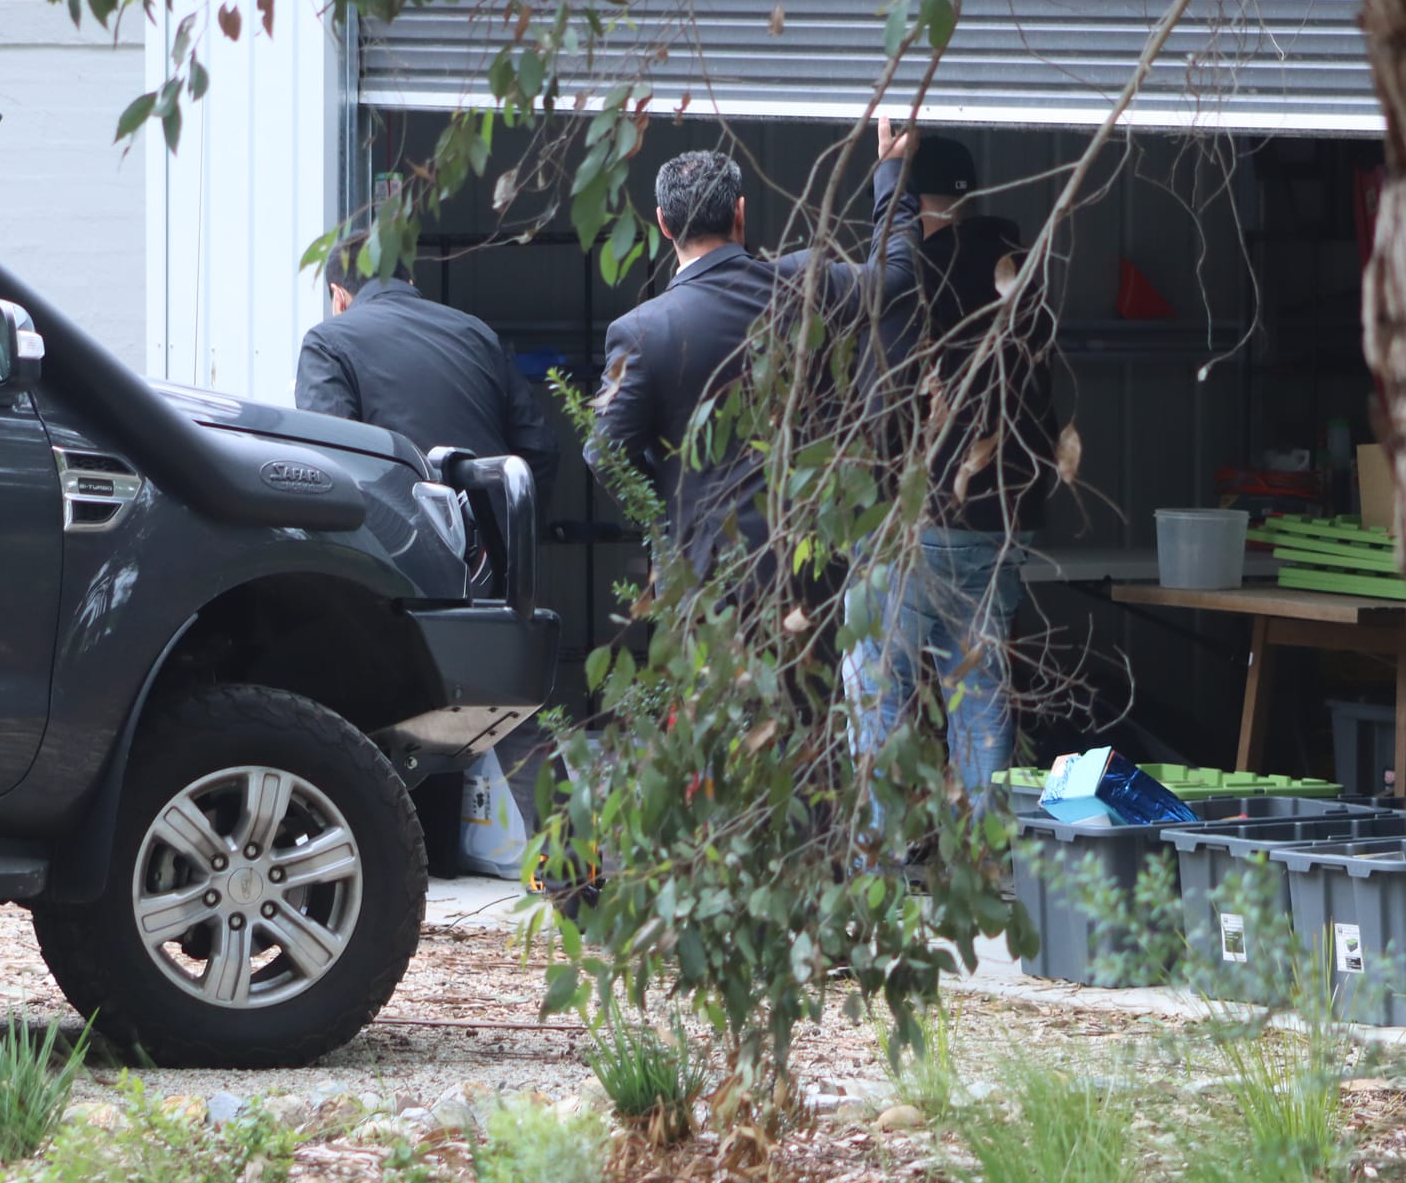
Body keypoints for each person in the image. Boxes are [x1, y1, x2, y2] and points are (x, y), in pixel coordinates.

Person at [585, 118, 922, 594]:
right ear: (740, 213)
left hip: (702, 580)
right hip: (808, 572)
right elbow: (899, 276)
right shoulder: (806, 281)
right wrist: (892, 172)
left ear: (663, 223)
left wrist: (672, 519)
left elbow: (604, 452)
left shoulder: (641, 332)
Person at [845, 134, 1060, 819]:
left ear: (912, 207)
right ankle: (986, 858)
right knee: (982, 700)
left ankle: (876, 865)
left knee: (880, 698)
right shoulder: (1020, 277)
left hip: (910, 527)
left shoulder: (911, 277)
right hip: (994, 528)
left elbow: (878, 404)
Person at [296, 241, 559, 489]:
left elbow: (333, 461)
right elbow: (539, 448)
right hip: (487, 530)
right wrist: (510, 528)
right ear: (409, 283)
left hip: (396, 532)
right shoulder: (478, 333)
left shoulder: (325, 342)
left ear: (338, 295)